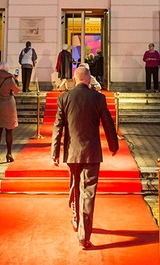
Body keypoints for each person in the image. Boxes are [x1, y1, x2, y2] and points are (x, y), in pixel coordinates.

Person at [50, 66, 119, 250]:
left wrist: (54, 152)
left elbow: (58, 127)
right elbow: (108, 122)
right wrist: (114, 145)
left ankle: (75, 217)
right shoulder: (98, 98)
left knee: (75, 184)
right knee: (88, 192)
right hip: (91, 152)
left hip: (72, 152)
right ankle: (84, 235)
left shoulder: (64, 97)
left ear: (74, 79)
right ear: (89, 79)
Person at [0, 61, 20, 162]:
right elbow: (16, 90)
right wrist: (15, 80)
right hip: (8, 106)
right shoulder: (9, 79)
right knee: (9, 130)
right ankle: (9, 153)